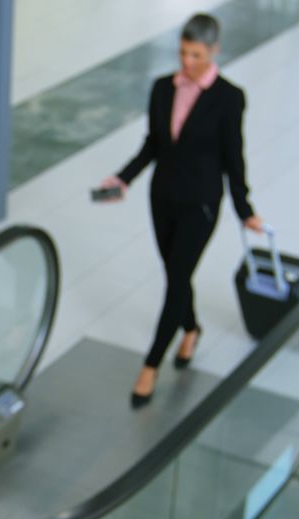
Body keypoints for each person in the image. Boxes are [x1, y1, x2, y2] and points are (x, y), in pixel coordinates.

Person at [99, 14, 263, 407]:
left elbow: (232, 158)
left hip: (201, 205)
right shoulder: (161, 88)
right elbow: (153, 145)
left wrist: (244, 209)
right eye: (183, 53)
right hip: (163, 198)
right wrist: (122, 179)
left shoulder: (229, 98)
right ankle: (191, 328)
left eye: (196, 54)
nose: (187, 62)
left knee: (175, 281)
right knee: (177, 274)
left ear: (214, 51)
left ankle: (151, 364)